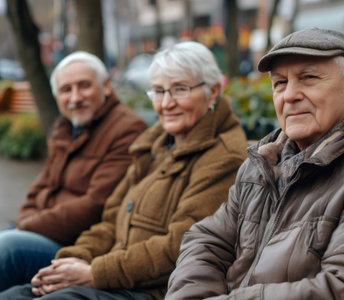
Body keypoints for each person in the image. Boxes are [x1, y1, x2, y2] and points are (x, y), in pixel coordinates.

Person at [166, 28, 344, 300]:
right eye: (280, 83)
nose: (289, 95)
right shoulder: (266, 158)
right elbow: (206, 241)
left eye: (309, 78)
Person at [0, 41, 248, 299]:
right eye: (159, 92)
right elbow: (109, 220)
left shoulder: (223, 157)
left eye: (180, 89)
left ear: (213, 91)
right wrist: (71, 261)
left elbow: (181, 245)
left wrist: (96, 272)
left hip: (153, 290)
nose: (167, 103)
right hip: (113, 276)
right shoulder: (156, 143)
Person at [0, 51, 147, 291]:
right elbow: (40, 187)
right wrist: (25, 222)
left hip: (80, 245)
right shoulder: (65, 127)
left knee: (7, 248)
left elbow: (96, 205)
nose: (75, 97)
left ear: (106, 86)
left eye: (84, 86)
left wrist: (25, 226)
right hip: (42, 231)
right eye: (66, 89)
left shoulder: (127, 130)